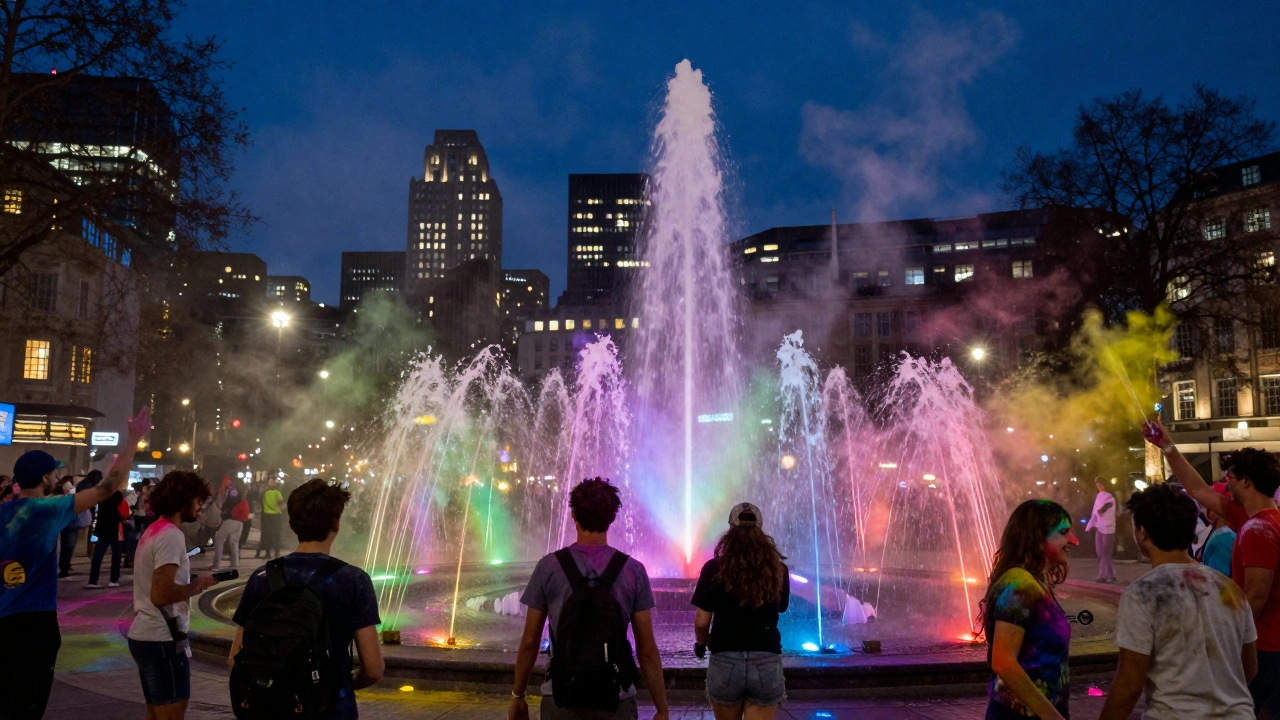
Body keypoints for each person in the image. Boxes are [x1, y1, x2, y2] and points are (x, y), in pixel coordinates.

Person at [0, 408, 149, 720]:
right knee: (27, 703)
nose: (57, 478)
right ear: (44, 479)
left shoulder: (4, 512)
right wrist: (134, 439)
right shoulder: (46, 510)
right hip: (34, 623)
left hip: (4, 620)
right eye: (54, 474)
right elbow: (110, 487)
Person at [1144, 419, 1280, 715]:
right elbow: (1197, 489)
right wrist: (1167, 447)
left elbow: (1255, 597)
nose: (1226, 481)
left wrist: (1225, 641)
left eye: (1230, 475)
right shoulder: (1255, 517)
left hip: (1268, 649)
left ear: (1247, 481)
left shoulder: (1259, 528)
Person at [511, 477, 669, 720]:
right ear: (612, 517)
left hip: (561, 697)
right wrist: (662, 708)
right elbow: (646, 649)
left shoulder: (549, 567)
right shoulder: (632, 570)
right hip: (616, 699)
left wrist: (518, 696)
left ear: (573, 515)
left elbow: (531, 641)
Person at [1099, 482, 1256, 719]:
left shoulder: (1142, 594)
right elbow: (1249, 667)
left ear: (1142, 532)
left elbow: (1130, 683)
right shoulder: (1229, 589)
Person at [230, 478, 384, 719]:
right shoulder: (353, 580)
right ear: (337, 524)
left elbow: (235, 658)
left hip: (272, 709)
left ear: (292, 525)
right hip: (332, 708)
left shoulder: (262, 577)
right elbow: (373, 669)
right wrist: (337, 683)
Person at [128, 470, 221, 719]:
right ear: (183, 499)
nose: (201, 505)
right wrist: (196, 586)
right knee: (171, 714)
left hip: (147, 635)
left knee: (155, 713)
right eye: (198, 499)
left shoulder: (154, 530)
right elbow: (161, 594)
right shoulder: (171, 535)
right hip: (161, 639)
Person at [981, 499, 1079, 720]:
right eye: (1063, 532)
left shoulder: (1036, 582)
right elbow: (1003, 661)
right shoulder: (1020, 583)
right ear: (1037, 536)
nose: (1073, 540)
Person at [692, 502, 790, 720]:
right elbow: (781, 608)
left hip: (725, 659)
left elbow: (701, 621)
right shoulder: (778, 569)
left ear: (730, 530)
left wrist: (701, 644)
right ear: (760, 530)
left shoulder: (714, 568)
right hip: (766, 659)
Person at [87, 483, 128, 588]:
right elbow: (124, 513)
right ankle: (114, 580)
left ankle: (92, 581)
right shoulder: (119, 496)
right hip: (115, 528)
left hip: (102, 528)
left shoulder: (101, 496)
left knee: (98, 555)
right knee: (116, 555)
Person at [1193, 482, 1238, 577]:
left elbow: (1218, 582)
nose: (1203, 509)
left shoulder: (1221, 541)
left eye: (1208, 505)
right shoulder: (1227, 534)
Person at [211, 476, 246, 571]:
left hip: (231, 519)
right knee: (234, 542)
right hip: (239, 521)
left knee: (219, 539)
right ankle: (234, 564)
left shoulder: (232, 491)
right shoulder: (238, 490)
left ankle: (216, 565)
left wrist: (225, 510)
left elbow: (232, 502)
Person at [1086, 478, 1117, 583]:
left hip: (1108, 529)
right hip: (1100, 528)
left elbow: (1104, 508)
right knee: (1099, 552)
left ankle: (1111, 575)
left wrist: (1100, 512)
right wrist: (1091, 524)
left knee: (1106, 552)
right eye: (1097, 485)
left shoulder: (1110, 498)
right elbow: (1095, 512)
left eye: (1100, 485)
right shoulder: (1099, 497)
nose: (1098, 487)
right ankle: (1102, 574)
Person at [57, 475, 81, 579]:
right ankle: (64, 570)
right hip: (69, 522)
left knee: (65, 547)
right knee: (67, 547)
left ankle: (64, 568)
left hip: (68, 522)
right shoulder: (64, 496)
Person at [256, 477, 284, 559]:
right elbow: (281, 504)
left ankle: (268, 553)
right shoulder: (278, 493)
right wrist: (279, 510)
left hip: (267, 515)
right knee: (276, 534)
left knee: (267, 534)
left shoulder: (265, 493)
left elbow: (259, 500)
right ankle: (276, 552)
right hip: (276, 516)